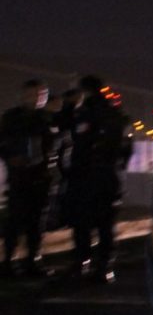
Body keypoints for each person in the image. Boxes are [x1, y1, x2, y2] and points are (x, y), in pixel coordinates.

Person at [64, 75, 132, 281]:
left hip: (84, 176)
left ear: (84, 91)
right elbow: (127, 149)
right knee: (105, 223)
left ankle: (81, 263)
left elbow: (75, 144)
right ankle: (105, 266)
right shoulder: (118, 115)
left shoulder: (82, 114)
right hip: (109, 175)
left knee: (82, 222)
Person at [0, 79, 53, 275]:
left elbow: (54, 146)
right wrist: (11, 158)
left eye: (41, 95)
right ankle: (8, 262)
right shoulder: (12, 118)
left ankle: (33, 260)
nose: (37, 99)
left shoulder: (47, 118)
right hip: (19, 176)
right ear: (23, 95)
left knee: (36, 222)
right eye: (33, 94)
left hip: (39, 177)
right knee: (14, 221)